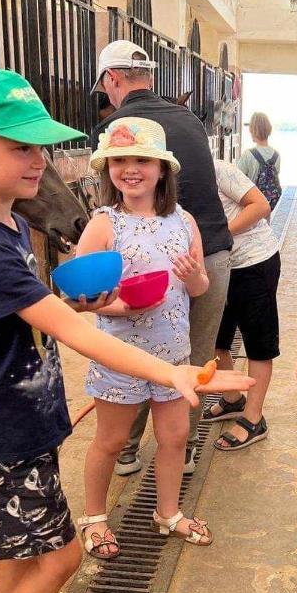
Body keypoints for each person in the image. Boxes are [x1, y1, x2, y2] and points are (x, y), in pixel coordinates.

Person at [0, 70, 252, 593]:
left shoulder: (12, 229)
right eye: (20, 147)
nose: (37, 162)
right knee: (60, 554)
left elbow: (49, 313)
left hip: (23, 421)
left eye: (41, 148)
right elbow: (77, 329)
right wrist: (177, 376)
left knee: (19, 552)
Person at [90, 40, 233, 475]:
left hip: (155, 254)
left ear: (112, 80)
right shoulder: (189, 118)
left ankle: (127, 448)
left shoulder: (119, 127)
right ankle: (181, 449)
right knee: (194, 353)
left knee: (128, 345)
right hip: (208, 250)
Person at [76, 117, 213, 558]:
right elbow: (80, 298)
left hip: (173, 354)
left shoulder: (183, 221)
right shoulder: (103, 224)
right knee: (111, 441)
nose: (130, 170)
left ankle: (167, 513)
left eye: (141, 160)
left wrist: (193, 278)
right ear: (108, 169)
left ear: (161, 169)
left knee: (174, 437)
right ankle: (94, 517)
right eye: (120, 161)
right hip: (119, 355)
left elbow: (200, 288)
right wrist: (124, 307)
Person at [204, 160, 281, 451]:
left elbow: (260, 206)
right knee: (216, 338)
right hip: (219, 267)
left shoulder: (218, 169)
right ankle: (235, 398)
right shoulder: (168, 176)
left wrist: (220, 235)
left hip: (254, 261)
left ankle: (254, 418)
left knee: (257, 343)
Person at [238, 112, 282, 211]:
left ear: (253, 131)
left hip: (250, 206)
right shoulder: (276, 155)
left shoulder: (248, 155)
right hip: (267, 206)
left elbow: (237, 181)